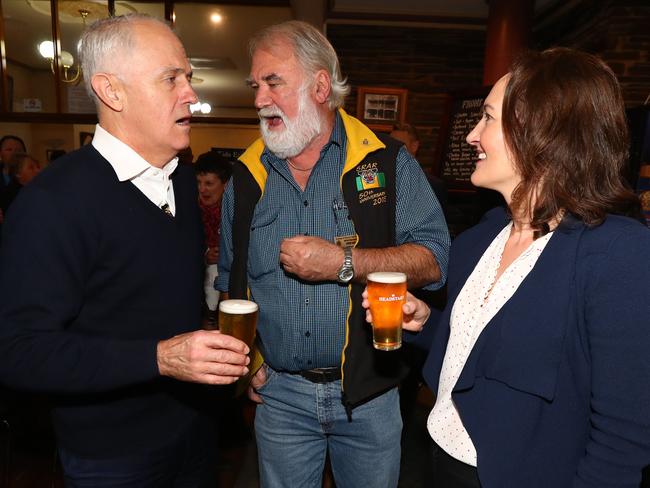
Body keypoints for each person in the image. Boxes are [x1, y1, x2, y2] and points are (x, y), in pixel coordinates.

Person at [365, 48, 650, 487]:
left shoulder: (617, 252)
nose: (471, 136)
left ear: (542, 129)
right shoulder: (481, 237)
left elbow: (623, 435)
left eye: (489, 118)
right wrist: (424, 323)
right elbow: (480, 355)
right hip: (440, 464)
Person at [0, 14, 250, 487]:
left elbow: (161, 302)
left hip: (195, 429)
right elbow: (17, 351)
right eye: (170, 79)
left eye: (189, 78)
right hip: (111, 456)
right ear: (112, 92)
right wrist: (160, 358)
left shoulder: (179, 177)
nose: (190, 94)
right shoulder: (54, 201)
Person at [218, 20, 450, 487]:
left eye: (273, 82)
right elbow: (228, 281)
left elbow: (434, 259)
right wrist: (251, 367)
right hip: (279, 397)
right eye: (255, 85)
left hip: (371, 399)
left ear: (320, 85)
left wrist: (346, 264)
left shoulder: (386, 163)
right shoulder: (243, 180)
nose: (260, 99)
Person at [195, 150, 232, 326]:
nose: (202, 189)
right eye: (199, 183)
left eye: (209, 183)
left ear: (225, 185)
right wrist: (204, 255)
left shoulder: (235, 212)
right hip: (197, 299)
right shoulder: (189, 211)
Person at [390, 122, 447, 212]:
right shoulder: (381, 180)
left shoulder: (433, 186)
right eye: (390, 145)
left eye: (398, 145)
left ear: (414, 146)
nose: (392, 149)